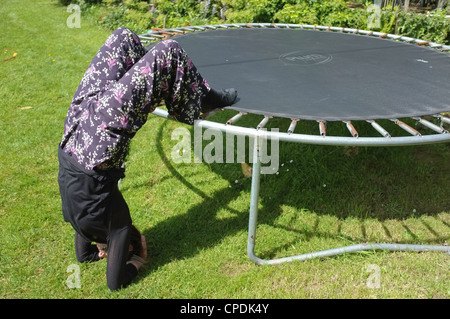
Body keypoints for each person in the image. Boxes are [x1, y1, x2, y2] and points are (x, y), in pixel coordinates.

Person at [57, 27, 238, 291]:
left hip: (98, 137)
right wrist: (125, 256)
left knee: (151, 47)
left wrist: (135, 258)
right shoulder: (82, 220)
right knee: (127, 38)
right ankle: (200, 99)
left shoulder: (114, 224)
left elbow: (104, 273)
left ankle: (188, 95)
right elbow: (97, 266)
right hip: (75, 133)